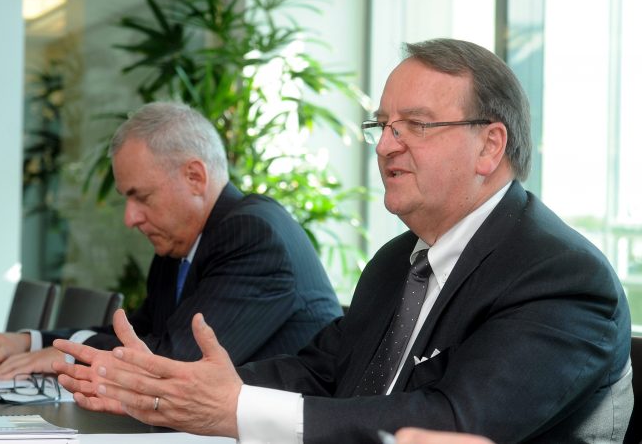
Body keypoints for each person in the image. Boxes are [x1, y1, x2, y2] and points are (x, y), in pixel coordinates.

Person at [51, 38, 633, 443]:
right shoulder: (398, 261)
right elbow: (321, 372)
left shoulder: (559, 275)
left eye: (416, 125)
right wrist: (178, 388)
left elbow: (454, 422)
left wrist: (237, 409)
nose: (385, 146)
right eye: (383, 126)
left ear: (490, 146)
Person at [0, 101, 343, 378]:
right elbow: (139, 334)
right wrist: (31, 342)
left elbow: (175, 361)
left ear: (195, 177)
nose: (130, 218)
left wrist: (68, 354)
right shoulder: (179, 246)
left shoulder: (252, 235)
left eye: (142, 197)